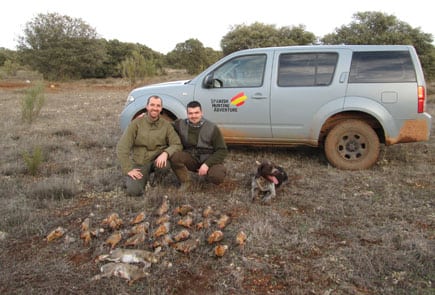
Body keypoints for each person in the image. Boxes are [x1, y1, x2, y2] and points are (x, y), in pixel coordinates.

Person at [116, 95, 182, 196]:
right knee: (134, 192)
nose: (155, 108)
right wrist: (128, 169)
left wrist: (165, 153)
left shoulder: (166, 125)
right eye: (152, 105)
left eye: (158, 106)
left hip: (157, 160)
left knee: (164, 165)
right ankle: (142, 180)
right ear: (147, 106)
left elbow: (177, 144)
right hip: (140, 162)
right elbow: (122, 147)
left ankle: (156, 183)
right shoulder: (136, 124)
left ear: (161, 108)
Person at [171, 101, 228, 190]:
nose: (193, 116)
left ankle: (208, 175)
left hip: (208, 158)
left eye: (196, 113)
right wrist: (145, 117)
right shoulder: (180, 124)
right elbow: (164, 126)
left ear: (202, 113)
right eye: (190, 113)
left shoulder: (212, 128)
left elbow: (222, 150)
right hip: (190, 158)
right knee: (175, 157)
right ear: (187, 114)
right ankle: (185, 182)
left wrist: (207, 164)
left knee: (217, 176)